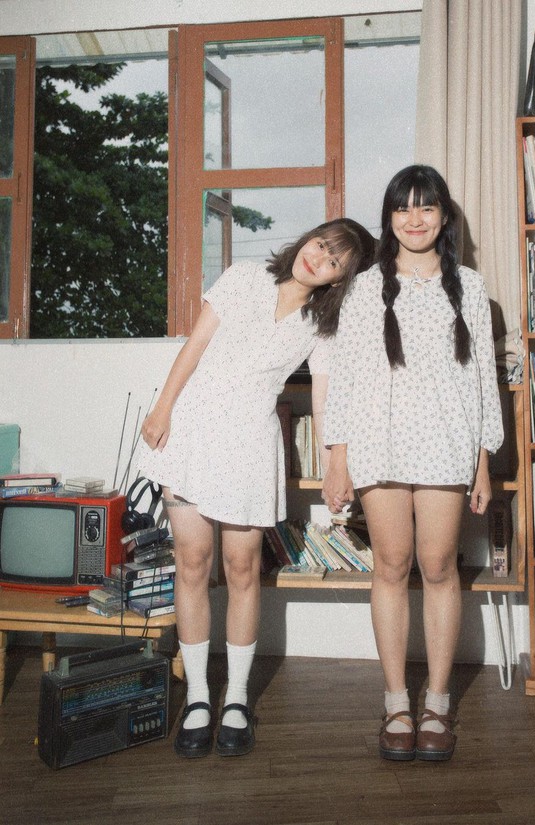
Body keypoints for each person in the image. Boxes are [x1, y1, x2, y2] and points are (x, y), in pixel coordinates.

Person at [139, 218, 375, 759]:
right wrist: (162, 408)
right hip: (192, 432)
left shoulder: (323, 325)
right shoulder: (244, 276)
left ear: (339, 279)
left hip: (249, 444)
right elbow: (195, 345)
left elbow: (324, 398)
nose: (318, 258)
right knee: (192, 563)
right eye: (321, 244)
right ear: (308, 237)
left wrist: (335, 464)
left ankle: (237, 699)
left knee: (242, 569)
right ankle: (199, 697)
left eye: (334, 261)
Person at [322, 165, 503, 762]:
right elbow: (346, 377)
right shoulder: (363, 288)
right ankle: (397, 701)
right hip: (378, 442)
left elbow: (482, 379)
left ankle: (439, 704)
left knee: (439, 565)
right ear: (389, 218)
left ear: (444, 216)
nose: (414, 218)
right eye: (403, 208)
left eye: (426, 207)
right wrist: (337, 458)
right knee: (392, 564)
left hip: (446, 444)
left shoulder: (470, 287)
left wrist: (482, 461)